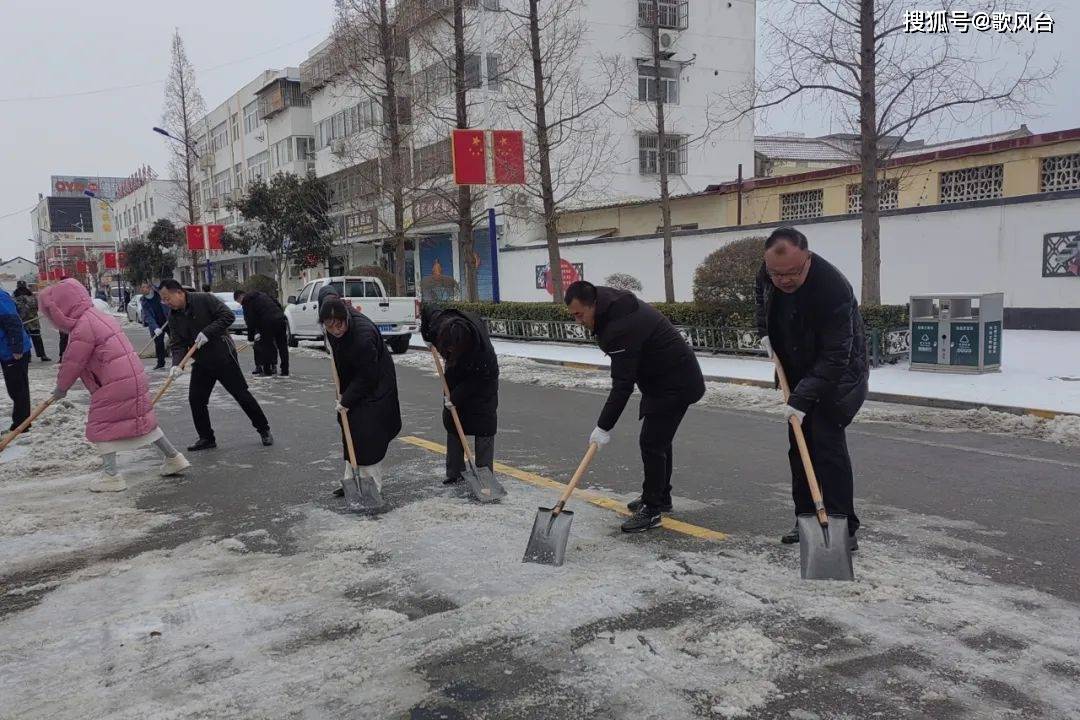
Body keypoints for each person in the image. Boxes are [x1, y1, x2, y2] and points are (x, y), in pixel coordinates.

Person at [754, 227, 868, 550]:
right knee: (799, 447)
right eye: (777, 274)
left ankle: (841, 526)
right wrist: (764, 331)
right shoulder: (769, 271)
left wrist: (804, 397)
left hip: (840, 375)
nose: (784, 280)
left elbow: (836, 355)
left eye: (792, 273)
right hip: (796, 369)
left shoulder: (833, 290)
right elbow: (761, 295)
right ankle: (806, 519)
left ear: (807, 258)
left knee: (826, 445)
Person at [564, 281, 705, 533]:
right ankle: (660, 497)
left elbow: (622, 385)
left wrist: (603, 427)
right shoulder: (608, 305)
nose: (578, 321)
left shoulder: (619, 328)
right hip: (662, 378)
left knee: (652, 442)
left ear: (593, 304)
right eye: (573, 315)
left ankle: (652, 510)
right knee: (659, 441)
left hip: (676, 381)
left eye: (579, 314)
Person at [38, 279, 190, 491]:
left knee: (101, 426)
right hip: (132, 378)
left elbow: (73, 361)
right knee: (142, 420)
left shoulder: (83, 326)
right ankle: (174, 458)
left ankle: (111, 477)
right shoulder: (100, 317)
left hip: (113, 384)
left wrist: (61, 387)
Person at [158, 279, 274, 451]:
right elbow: (178, 344)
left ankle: (264, 429)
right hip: (202, 361)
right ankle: (206, 438)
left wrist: (207, 332)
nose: (166, 303)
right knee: (196, 399)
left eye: (167, 298)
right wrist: (177, 365)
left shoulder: (204, 299)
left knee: (241, 395)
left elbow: (228, 316)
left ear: (179, 292)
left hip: (223, 356)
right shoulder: (174, 316)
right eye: (163, 300)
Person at [321, 298, 401, 498]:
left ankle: (371, 489)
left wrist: (347, 400)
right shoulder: (333, 329)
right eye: (329, 327)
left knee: (368, 437)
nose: (335, 330)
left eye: (338, 325)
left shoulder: (363, 337)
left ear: (345, 318)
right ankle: (352, 482)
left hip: (377, 387)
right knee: (351, 431)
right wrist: (343, 395)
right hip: (354, 384)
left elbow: (367, 376)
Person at [421, 306, 499, 485]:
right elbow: (426, 310)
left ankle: (484, 474)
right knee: (453, 419)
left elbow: (477, 380)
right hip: (455, 370)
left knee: (484, 421)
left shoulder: (482, 352)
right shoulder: (439, 325)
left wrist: (455, 397)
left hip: (482, 377)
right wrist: (426, 336)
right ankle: (454, 473)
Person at [235, 289, 289, 377]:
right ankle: (285, 370)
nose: (240, 304)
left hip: (267, 322)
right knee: (282, 346)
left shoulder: (246, 301)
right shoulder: (263, 294)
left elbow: (250, 321)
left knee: (266, 346)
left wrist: (251, 339)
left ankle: (267, 371)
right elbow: (278, 304)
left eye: (238, 301)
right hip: (280, 319)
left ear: (240, 297)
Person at [1, 286, 32, 432]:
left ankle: (22, 423)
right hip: (4, 349)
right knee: (15, 387)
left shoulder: (1, 298)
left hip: (12, 351)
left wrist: (16, 348)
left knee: (17, 388)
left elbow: (12, 321)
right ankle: (22, 420)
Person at [13, 281, 51, 362]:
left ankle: (28, 357)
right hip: (33, 322)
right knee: (37, 339)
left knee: (25, 340)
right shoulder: (32, 296)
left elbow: (14, 310)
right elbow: (37, 307)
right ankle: (42, 355)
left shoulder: (14, 297)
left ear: (17, 286)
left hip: (22, 322)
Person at [140, 281, 170, 370]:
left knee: (175, 341)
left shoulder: (159, 294)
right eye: (142, 287)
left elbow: (168, 304)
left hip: (168, 321)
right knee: (158, 344)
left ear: (149, 288)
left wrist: (171, 315)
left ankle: (179, 362)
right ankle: (160, 363)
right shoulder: (143, 300)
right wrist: (155, 327)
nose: (142, 289)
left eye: (144, 287)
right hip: (156, 324)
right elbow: (148, 316)